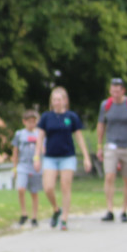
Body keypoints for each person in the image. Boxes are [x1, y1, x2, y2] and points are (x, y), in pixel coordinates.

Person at [34, 85, 92, 231]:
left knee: (66, 186)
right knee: (48, 187)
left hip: (67, 156)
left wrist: (86, 156)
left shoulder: (71, 117)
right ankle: (56, 209)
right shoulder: (46, 117)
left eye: (59, 99)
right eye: (54, 100)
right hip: (50, 157)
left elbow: (79, 137)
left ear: (65, 101)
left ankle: (64, 218)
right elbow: (40, 138)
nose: (57, 102)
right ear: (51, 101)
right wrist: (37, 157)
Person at [96, 77, 127, 223]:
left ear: (123, 90)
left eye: (118, 91)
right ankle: (110, 209)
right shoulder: (106, 105)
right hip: (111, 146)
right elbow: (101, 125)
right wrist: (99, 145)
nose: (115, 94)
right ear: (110, 91)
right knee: (109, 176)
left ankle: (124, 210)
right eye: (113, 91)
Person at [11, 109, 43, 227]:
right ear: (24, 122)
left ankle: (34, 216)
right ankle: (24, 213)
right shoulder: (19, 134)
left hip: (35, 166)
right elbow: (15, 151)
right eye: (29, 121)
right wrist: (14, 167)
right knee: (21, 189)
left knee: (34, 192)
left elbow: (43, 150)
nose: (31, 124)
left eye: (33, 121)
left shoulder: (39, 133)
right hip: (23, 165)